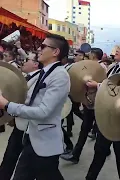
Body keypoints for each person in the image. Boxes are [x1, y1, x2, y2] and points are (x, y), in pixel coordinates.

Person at [0, 33, 70, 180]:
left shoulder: (60, 75)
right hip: (32, 138)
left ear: (55, 52)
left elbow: (44, 111)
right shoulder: (44, 73)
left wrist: (7, 105)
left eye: (43, 46)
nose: (39, 48)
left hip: (45, 144)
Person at [84, 40, 120, 180]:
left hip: (119, 117)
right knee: (100, 150)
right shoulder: (114, 67)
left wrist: (98, 85)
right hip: (108, 114)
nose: (117, 50)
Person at [0, 52, 43, 180]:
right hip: (20, 124)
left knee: (42, 167)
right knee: (10, 156)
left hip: (29, 126)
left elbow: (27, 102)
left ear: (35, 64)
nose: (24, 62)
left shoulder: (38, 79)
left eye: (27, 60)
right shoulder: (27, 77)